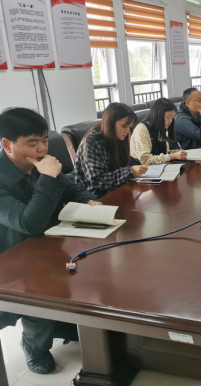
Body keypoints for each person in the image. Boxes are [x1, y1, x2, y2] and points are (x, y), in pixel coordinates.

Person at [0, 108, 100, 374]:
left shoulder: (40, 162)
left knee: (86, 272)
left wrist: (91, 201)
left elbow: (71, 187)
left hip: (49, 243)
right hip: (13, 256)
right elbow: (28, 223)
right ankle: (34, 346)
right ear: (7, 144)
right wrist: (47, 176)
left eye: (45, 140)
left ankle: (60, 323)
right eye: (33, 143)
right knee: (38, 301)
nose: (42, 148)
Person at [75, 103, 148, 198]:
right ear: (110, 123)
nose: (127, 131)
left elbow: (121, 169)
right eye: (124, 126)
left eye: (129, 127)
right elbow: (98, 181)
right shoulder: (91, 142)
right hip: (94, 198)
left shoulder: (118, 137)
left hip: (116, 191)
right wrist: (130, 171)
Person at [130, 98, 187, 165]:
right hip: (140, 168)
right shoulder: (142, 129)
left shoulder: (160, 128)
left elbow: (160, 153)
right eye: (168, 117)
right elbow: (145, 160)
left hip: (157, 167)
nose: (170, 121)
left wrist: (171, 153)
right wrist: (171, 156)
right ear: (158, 114)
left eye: (172, 118)